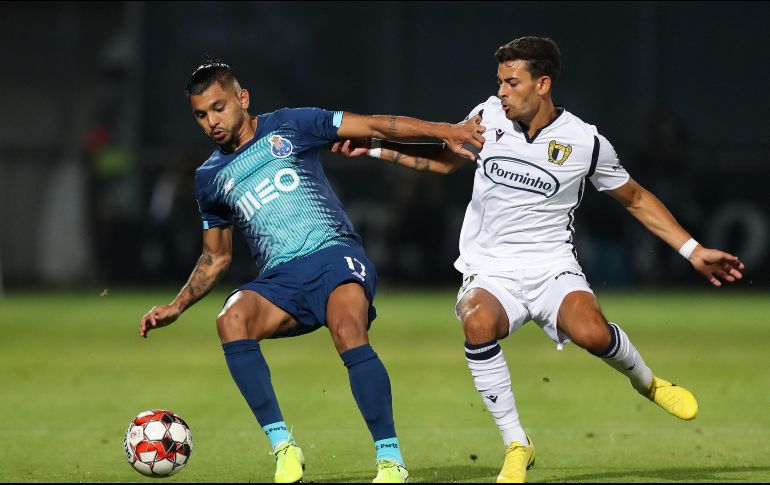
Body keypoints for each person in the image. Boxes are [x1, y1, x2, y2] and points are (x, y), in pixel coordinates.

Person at [333, 36, 745, 483]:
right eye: (500, 82)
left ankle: (647, 382)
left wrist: (693, 250)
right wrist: (374, 148)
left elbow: (636, 198)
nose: (502, 92)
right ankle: (516, 443)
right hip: (491, 271)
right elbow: (443, 161)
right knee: (477, 323)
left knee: (592, 333)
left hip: (552, 268)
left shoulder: (585, 142)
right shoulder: (488, 117)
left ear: (543, 84)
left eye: (512, 83)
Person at [139, 58, 484, 484]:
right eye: (201, 114)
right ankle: (285, 449)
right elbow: (217, 258)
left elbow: (376, 124)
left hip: (333, 256)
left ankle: (390, 460)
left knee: (347, 331)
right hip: (280, 280)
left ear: (242, 99)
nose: (212, 121)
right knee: (231, 320)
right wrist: (176, 306)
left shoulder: (292, 125)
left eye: (219, 107)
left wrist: (444, 130)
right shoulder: (209, 177)